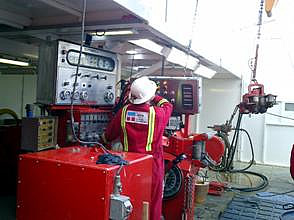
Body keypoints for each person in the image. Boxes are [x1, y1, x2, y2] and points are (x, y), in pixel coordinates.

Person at [102, 76, 173, 220]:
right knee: (153, 201)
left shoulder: (123, 112)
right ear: (149, 96)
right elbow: (168, 105)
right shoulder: (157, 114)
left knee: (131, 201)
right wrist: (155, 96)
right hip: (152, 167)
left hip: (129, 166)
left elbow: (108, 136)